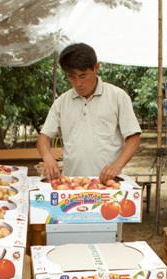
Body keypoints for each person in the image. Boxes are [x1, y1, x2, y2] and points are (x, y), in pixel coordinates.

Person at [37, 43, 141, 182]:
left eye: (83, 76)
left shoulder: (117, 96)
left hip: (108, 183)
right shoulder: (62, 102)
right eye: (72, 77)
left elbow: (133, 137)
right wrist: (48, 158)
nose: (78, 83)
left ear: (96, 68)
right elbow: (43, 138)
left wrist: (116, 166)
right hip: (72, 183)